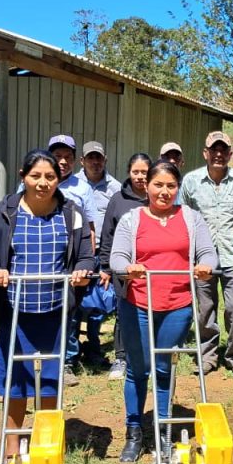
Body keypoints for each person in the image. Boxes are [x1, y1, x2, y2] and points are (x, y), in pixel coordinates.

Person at [0, 149, 93, 459]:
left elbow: (85, 255)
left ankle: (47, 439)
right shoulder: (5, 212)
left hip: (55, 312)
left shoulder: (72, 213)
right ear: (23, 176)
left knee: (51, 379)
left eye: (50, 177)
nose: (43, 182)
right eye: (36, 176)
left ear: (60, 178)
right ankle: (12, 444)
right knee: (16, 378)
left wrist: (82, 272)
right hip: (15, 312)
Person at [109, 161, 217, 464]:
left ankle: (163, 432)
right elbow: (117, 256)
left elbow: (208, 252)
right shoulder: (132, 219)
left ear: (177, 188)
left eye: (171, 186)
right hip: (138, 304)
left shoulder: (191, 218)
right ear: (148, 186)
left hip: (177, 306)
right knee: (138, 369)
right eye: (159, 185)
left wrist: (206, 265)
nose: (164, 191)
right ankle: (134, 431)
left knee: (164, 367)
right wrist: (127, 267)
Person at [181, 131, 233, 380]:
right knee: (205, 308)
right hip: (202, 257)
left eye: (224, 150)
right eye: (214, 150)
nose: (218, 154)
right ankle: (207, 355)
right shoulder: (190, 181)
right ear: (205, 153)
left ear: (231, 155)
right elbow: (184, 216)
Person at [47, 134, 97, 385]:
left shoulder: (82, 188)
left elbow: (90, 227)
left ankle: (67, 362)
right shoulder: (36, 181)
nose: (63, 161)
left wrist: (88, 259)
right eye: (58, 156)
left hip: (72, 258)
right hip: (43, 257)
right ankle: (43, 359)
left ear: (76, 161)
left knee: (70, 310)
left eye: (67, 157)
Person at [99, 153, 152, 380]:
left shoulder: (157, 196)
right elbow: (107, 234)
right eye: (136, 172)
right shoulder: (118, 199)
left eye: (145, 172)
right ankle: (121, 358)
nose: (140, 177)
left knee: (150, 313)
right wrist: (105, 266)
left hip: (152, 267)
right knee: (124, 313)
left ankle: (148, 358)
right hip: (124, 267)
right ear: (129, 173)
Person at [79, 140, 120, 359]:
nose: (95, 162)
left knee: (99, 301)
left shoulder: (115, 188)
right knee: (75, 301)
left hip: (103, 252)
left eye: (99, 158)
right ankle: (72, 351)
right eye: (90, 158)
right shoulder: (72, 184)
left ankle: (94, 344)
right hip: (77, 253)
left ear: (105, 160)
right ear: (82, 161)